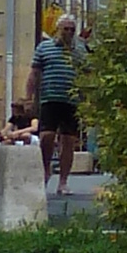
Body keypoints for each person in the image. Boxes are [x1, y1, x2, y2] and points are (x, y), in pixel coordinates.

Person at [31, 13, 83, 200]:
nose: (69, 32)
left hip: (71, 101)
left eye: (72, 29)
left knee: (68, 141)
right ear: (58, 29)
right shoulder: (44, 48)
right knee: (46, 136)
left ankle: (63, 181)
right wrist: (29, 97)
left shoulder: (81, 50)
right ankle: (46, 169)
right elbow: (34, 74)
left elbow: (88, 74)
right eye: (65, 29)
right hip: (49, 98)